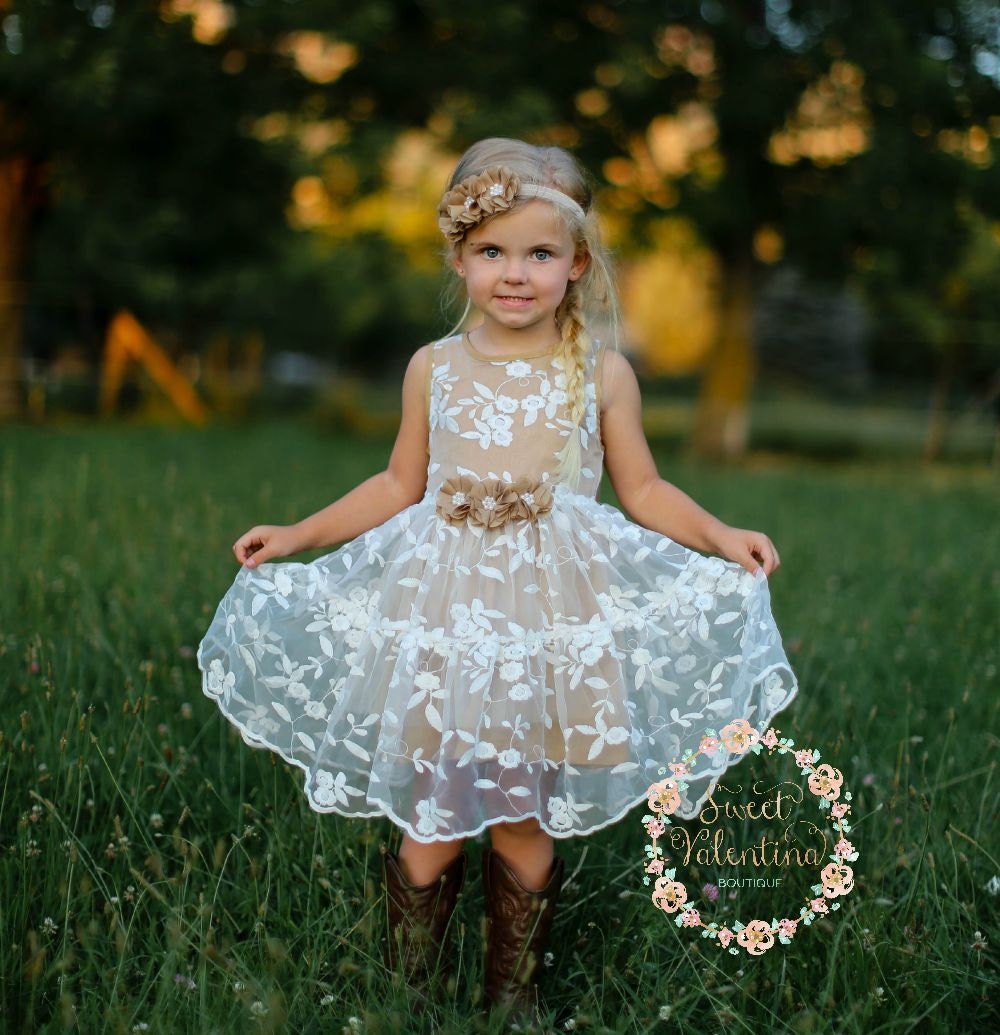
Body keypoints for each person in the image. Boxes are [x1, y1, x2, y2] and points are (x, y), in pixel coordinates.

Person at [197, 137, 799, 1027]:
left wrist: (720, 534)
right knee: (436, 813)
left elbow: (643, 490)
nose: (514, 274)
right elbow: (397, 485)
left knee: (521, 812)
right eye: (492, 252)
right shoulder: (433, 368)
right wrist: (297, 534)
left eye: (539, 254)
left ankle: (512, 998)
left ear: (576, 263)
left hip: (544, 627)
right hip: (445, 618)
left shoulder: (601, 372)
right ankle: (409, 994)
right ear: (460, 257)